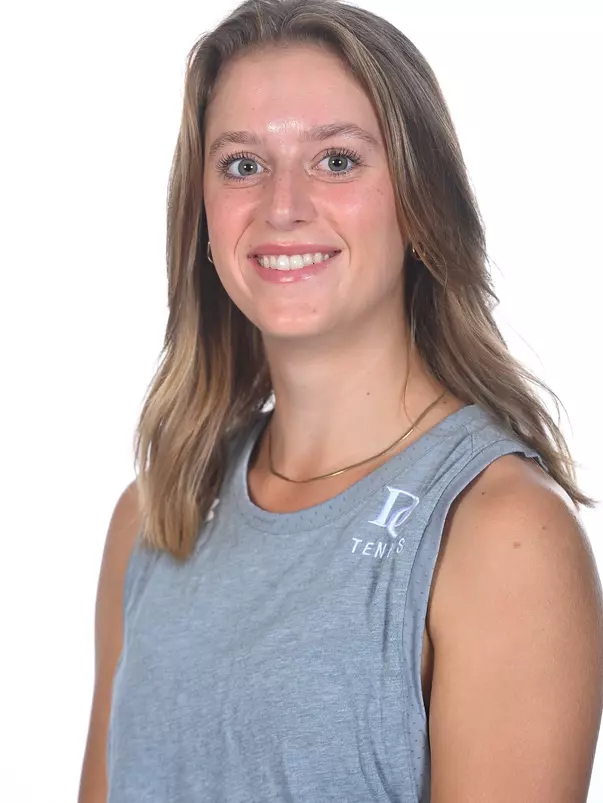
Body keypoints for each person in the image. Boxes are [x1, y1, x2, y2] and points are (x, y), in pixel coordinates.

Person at [78, 1, 603, 801]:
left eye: (336, 160)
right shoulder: (156, 515)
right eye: (243, 165)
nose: (281, 206)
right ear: (203, 217)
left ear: (420, 202)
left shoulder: (499, 535)